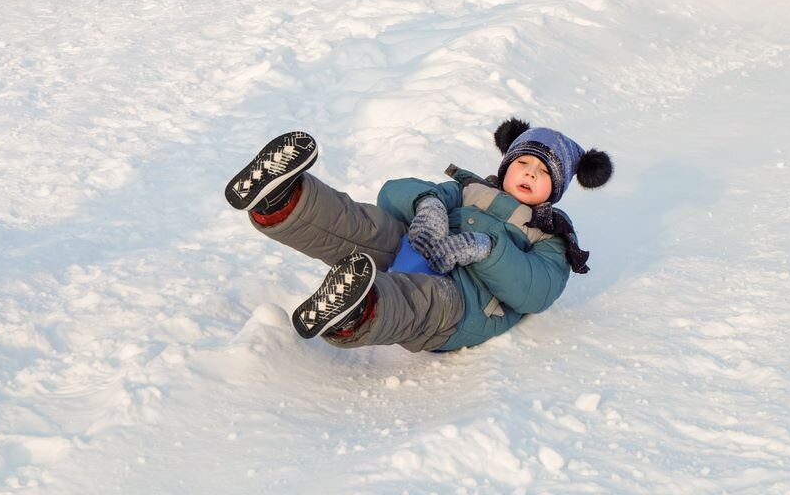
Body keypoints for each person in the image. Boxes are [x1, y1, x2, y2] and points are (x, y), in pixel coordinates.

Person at [223, 119, 612, 352]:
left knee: (422, 299)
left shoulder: (551, 234)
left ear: (557, 188)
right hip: (421, 248)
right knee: (368, 226)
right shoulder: (469, 190)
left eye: (543, 172)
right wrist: (429, 207)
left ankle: (357, 311)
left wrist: (483, 249)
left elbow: (535, 291)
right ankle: (285, 200)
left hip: (467, 303)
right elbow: (394, 193)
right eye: (523, 163)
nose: (529, 173)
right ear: (506, 165)